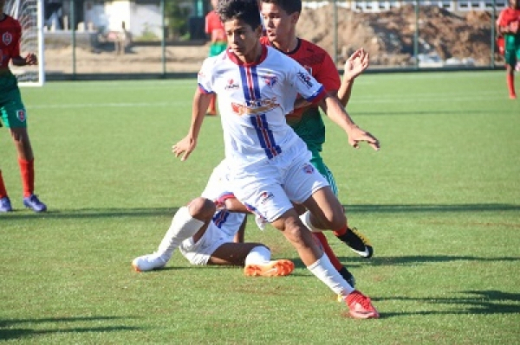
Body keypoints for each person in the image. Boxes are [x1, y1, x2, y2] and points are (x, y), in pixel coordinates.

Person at [173, 0, 379, 319]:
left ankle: (313, 217)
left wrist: (351, 128)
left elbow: (323, 96)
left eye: (241, 32)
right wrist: (192, 135)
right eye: (229, 34)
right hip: (252, 172)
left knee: (335, 218)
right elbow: (201, 93)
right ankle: (350, 294)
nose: (234, 41)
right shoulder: (215, 66)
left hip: (292, 155)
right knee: (294, 230)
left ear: (258, 32)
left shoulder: (284, 65)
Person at [259, 0, 373, 261]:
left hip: (305, 149)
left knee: (329, 215)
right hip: (265, 149)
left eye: (275, 16)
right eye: (265, 16)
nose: (268, 23)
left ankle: (337, 230)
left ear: (294, 17)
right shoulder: (257, 52)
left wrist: (347, 83)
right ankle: (242, 250)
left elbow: (332, 103)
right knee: (234, 198)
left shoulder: (316, 57)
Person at [132, 160, 295, 276]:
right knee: (202, 205)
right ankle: (161, 256)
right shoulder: (229, 168)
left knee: (261, 249)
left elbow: (240, 215)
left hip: (215, 247)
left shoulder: (260, 174)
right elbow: (229, 203)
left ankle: (258, 265)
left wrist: (239, 245)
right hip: (199, 230)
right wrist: (266, 209)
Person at [0, 0, 46, 213]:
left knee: (21, 138)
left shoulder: (13, 25)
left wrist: (25, 60)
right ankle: (2, 197)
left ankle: (29, 195)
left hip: (8, 88)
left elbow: (13, 58)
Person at [205, 0, 228, 115]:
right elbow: (212, 34)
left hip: (227, 49)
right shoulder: (210, 17)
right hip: (215, 51)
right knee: (212, 77)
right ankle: (212, 107)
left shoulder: (230, 14)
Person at [496, 0, 520, 99]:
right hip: (509, 43)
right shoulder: (505, 12)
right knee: (510, 67)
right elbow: (499, 29)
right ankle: (512, 93)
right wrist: (506, 29)